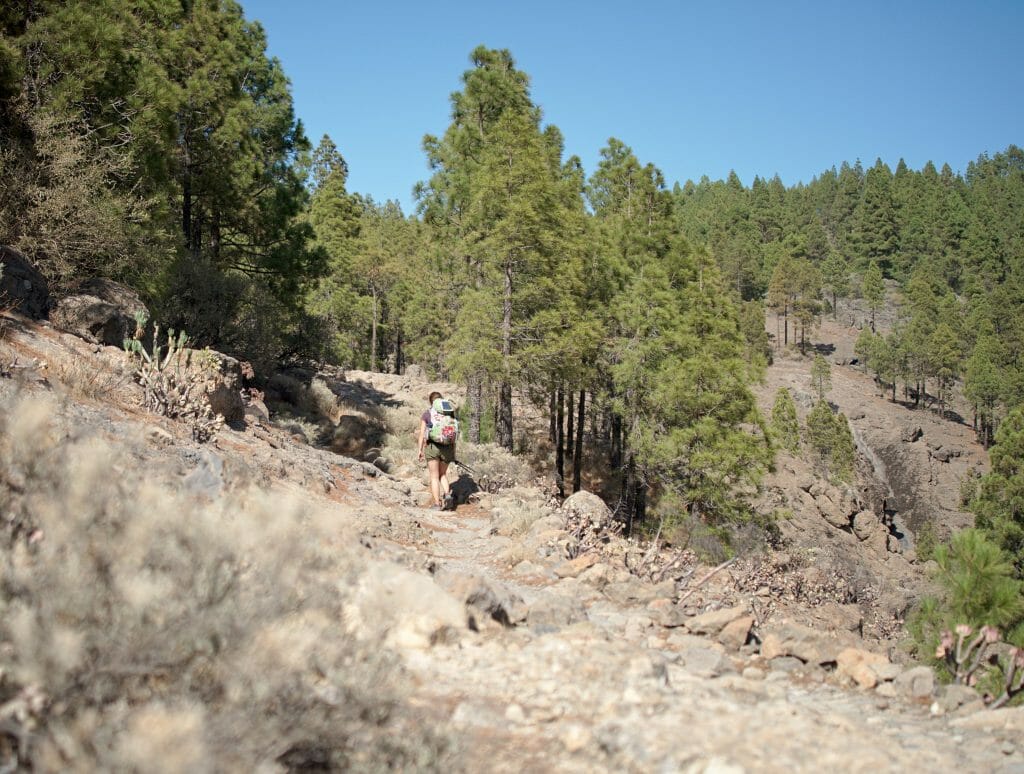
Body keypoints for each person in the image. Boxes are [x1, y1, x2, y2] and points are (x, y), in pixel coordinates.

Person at [418, 391, 455, 510]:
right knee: (443, 474)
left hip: (432, 447)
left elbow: (422, 433)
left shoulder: (427, 414)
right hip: (448, 448)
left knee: (434, 476)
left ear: (431, 401)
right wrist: (454, 452)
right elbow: (454, 435)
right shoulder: (450, 413)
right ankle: (448, 494)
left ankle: (437, 504)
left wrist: (420, 450)